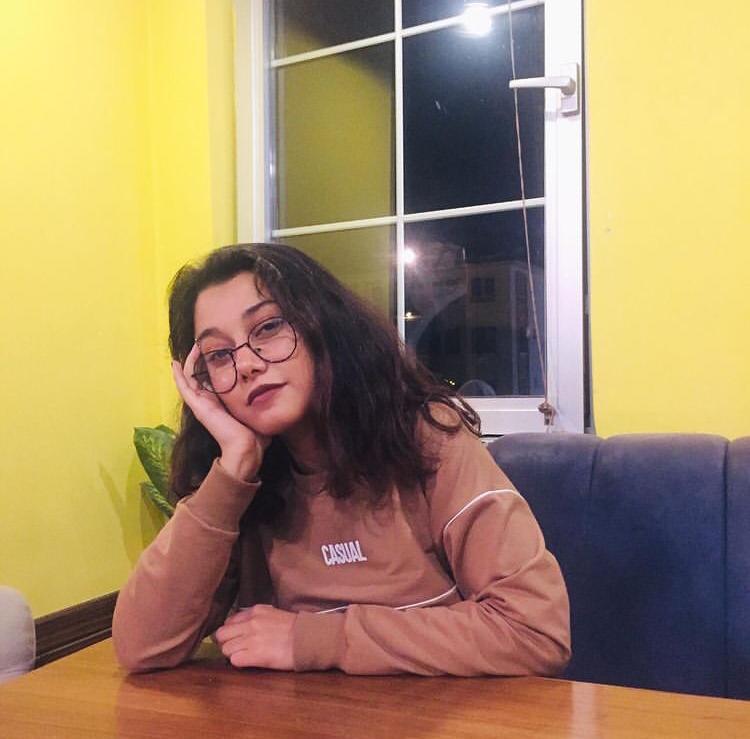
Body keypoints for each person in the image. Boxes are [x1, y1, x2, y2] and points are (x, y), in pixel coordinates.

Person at [112, 243, 570, 676]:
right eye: (218, 354)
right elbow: (141, 647)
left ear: (323, 326)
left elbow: (534, 629)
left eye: (268, 328)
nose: (246, 364)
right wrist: (233, 468)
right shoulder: (240, 483)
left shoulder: (426, 438)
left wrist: (313, 639)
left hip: (442, 715)